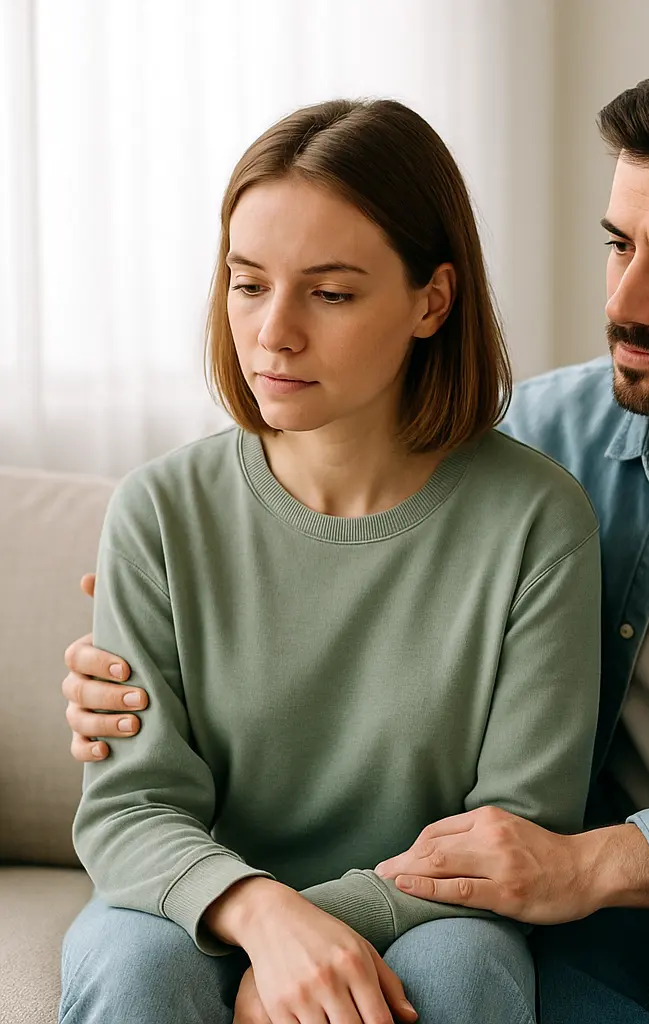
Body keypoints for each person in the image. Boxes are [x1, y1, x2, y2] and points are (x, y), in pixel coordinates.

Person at [62, 56, 649, 1023]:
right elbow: (348, 522)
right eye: (619, 246)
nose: (626, 302)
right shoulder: (539, 437)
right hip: (613, 905)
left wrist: (583, 865)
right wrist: (144, 648)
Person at [56, 97, 602, 1024]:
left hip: (428, 912)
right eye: (248, 284)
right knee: (134, 970)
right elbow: (130, 807)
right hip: (198, 897)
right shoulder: (158, 510)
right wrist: (264, 918)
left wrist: (322, 932)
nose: (274, 331)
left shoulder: (536, 522)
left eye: (331, 293)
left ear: (432, 300)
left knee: (462, 975)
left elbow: (516, 828)